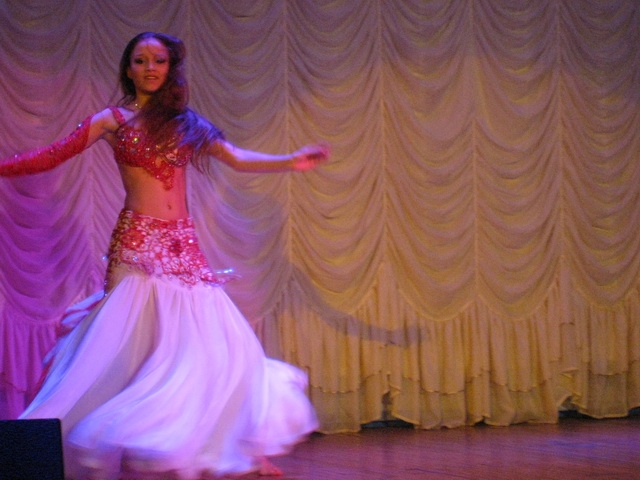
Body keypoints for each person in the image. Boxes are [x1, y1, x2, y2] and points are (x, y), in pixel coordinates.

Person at [1, 32, 329, 479]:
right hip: (138, 245)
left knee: (216, 348)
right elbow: (53, 154)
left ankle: (237, 446)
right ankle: (97, 442)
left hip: (183, 245)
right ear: (128, 69)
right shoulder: (112, 120)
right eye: (140, 60)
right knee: (131, 346)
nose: (150, 68)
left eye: (158, 60)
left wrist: (291, 160)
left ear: (170, 68)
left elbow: (235, 157)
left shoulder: (185, 122)